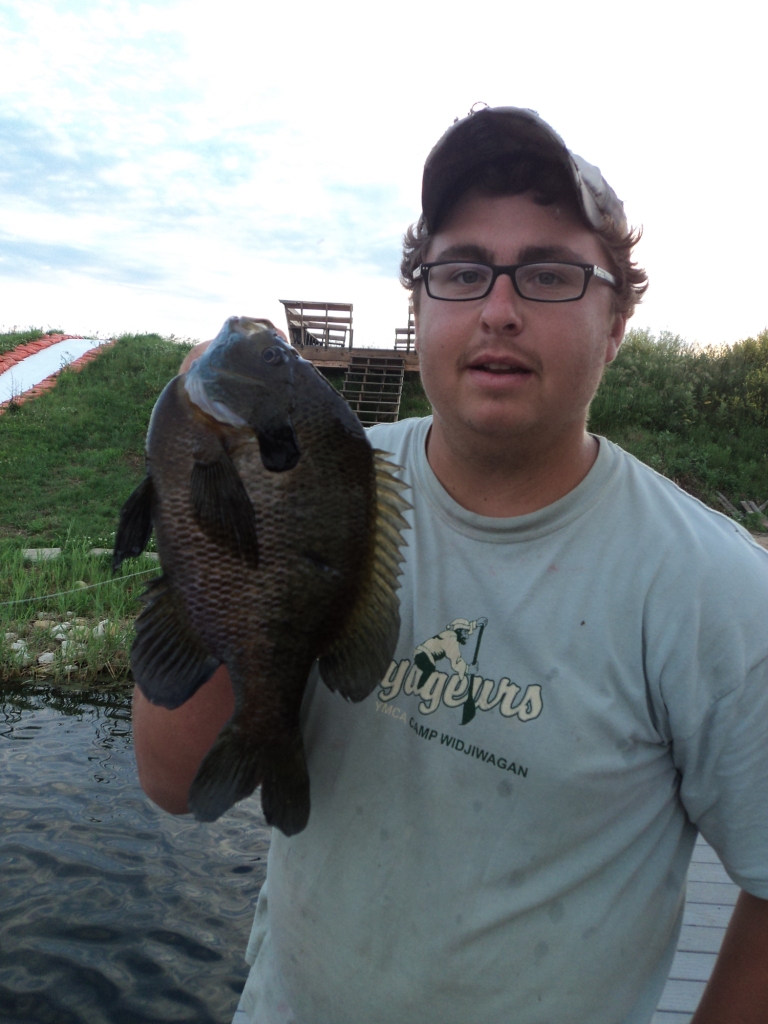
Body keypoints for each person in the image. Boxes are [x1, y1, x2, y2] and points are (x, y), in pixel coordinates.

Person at [132, 107, 768, 1024]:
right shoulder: (317, 482)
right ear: (420, 305)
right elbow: (171, 782)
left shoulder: (720, 592)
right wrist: (198, 498)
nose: (499, 310)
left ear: (617, 323)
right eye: (462, 272)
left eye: (550, 274)